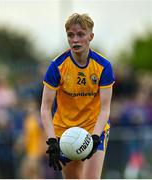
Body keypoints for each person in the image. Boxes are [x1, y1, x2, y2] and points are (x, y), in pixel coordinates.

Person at [41, 13, 115, 179]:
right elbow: (45, 108)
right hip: (65, 132)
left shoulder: (103, 66)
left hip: (93, 127)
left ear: (91, 36)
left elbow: (105, 109)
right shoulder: (56, 66)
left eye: (81, 34)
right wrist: (52, 140)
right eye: (71, 35)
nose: (75, 40)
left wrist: (96, 136)